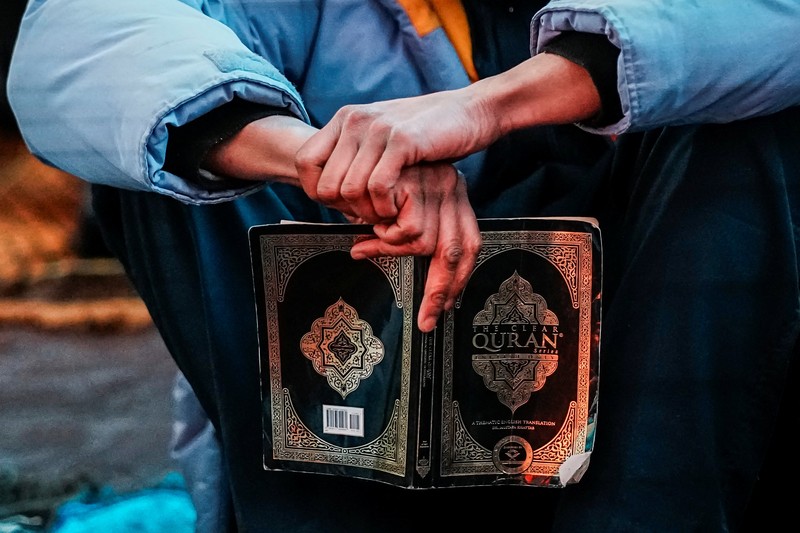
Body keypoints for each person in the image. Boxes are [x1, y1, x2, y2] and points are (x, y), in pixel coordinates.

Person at [7, 0, 799, 531]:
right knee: (174, 141)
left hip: (649, 389)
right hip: (368, 413)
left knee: (752, 116)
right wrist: (331, 158)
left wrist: (481, 109)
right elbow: (77, 39)